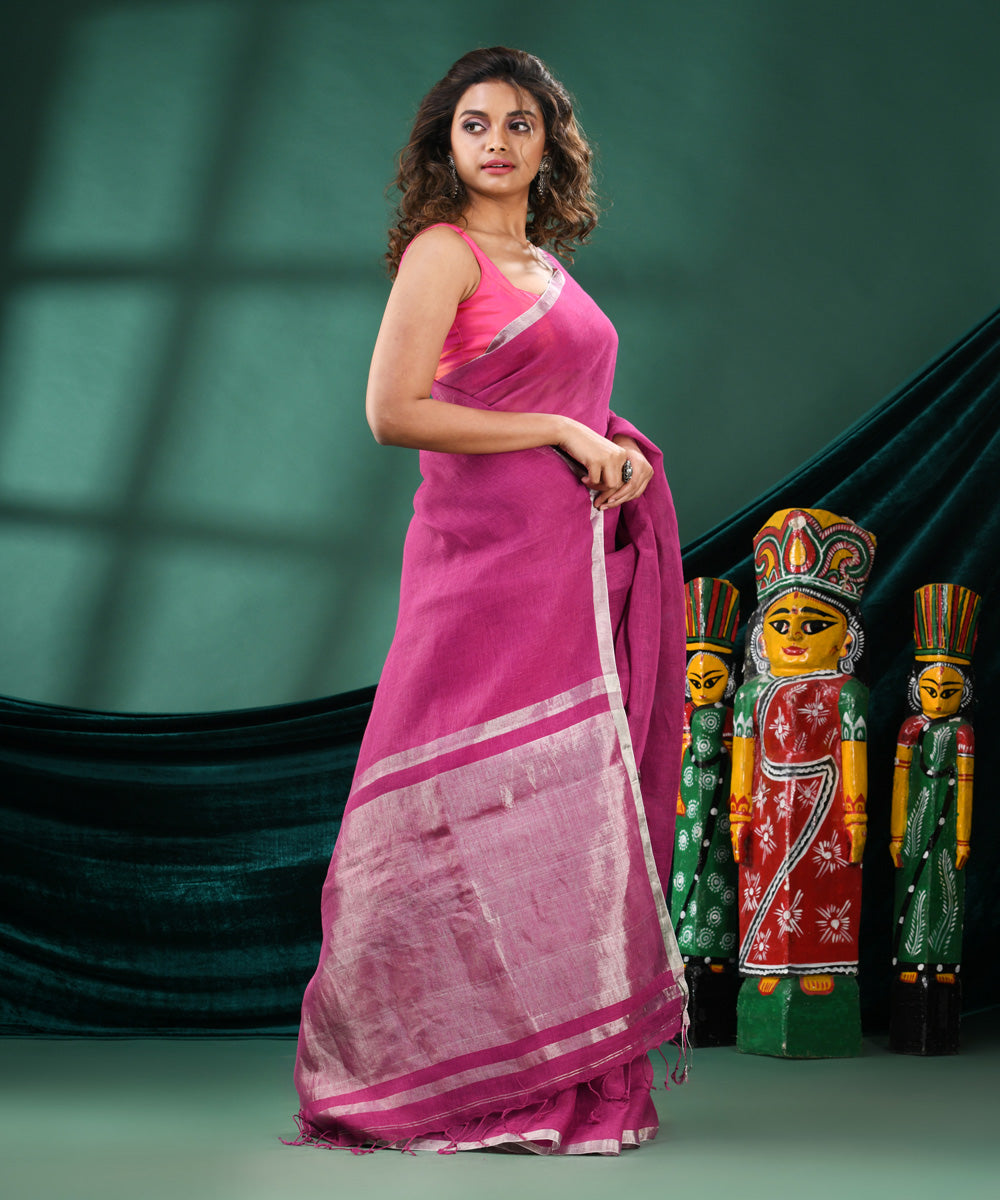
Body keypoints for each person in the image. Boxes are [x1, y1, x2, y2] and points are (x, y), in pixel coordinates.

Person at [291, 47, 687, 1155]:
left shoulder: (546, 265)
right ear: (446, 144)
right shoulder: (443, 252)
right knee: (449, 810)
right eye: (475, 124)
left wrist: (614, 450)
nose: (498, 142)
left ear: (550, 143)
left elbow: (578, 405)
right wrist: (558, 429)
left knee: (550, 811)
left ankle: (549, 1073)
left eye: (520, 123)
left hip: (561, 569)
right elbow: (392, 410)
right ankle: (416, 1073)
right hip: (478, 573)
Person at [729, 507, 875, 1057]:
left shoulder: (846, 692)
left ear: (845, 637)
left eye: (813, 625)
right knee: (762, 897)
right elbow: (744, 756)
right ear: (761, 634)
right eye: (780, 624)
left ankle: (824, 983)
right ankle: (765, 981)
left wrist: (857, 815)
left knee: (825, 894)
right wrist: (738, 815)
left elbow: (854, 751)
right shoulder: (751, 694)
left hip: (830, 806)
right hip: (765, 809)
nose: (793, 635)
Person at [889, 582, 979, 1055]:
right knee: (911, 893)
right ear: (916, 688)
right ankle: (909, 964)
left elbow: (966, 786)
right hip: (913, 825)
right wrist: (895, 833)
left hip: (945, 831)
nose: (938, 700)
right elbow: (900, 783)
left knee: (945, 891)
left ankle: (942, 965)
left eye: (948, 692)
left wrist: (962, 838)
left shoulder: (962, 733)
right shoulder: (910, 728)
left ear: (964, 691)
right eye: (930, 690)